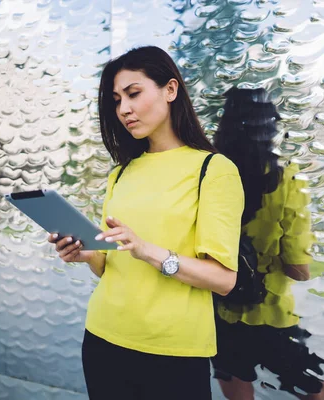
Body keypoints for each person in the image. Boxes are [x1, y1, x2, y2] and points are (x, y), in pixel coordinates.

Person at [48, 46, 244, 400]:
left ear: (170, 90)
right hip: (103, 339)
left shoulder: (213, 170)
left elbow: (224, 279)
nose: (124, 109)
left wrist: (147, 250)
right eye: (117, 100)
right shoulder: (121, 172)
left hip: (173, 352)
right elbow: (109, 268)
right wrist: (87, 252)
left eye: (134, 94)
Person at [211, 88, 324, 400]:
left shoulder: (209, 177)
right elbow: (299, 270)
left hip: (219, 311)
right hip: (274, 316)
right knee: (315, 393)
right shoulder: (287, 180)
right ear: (270, 128)